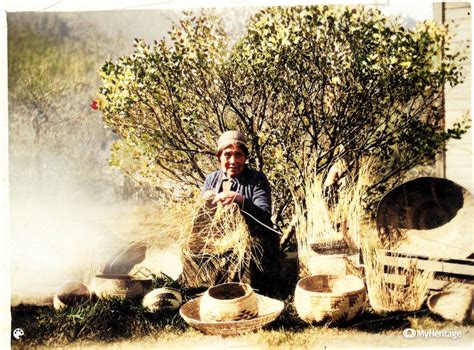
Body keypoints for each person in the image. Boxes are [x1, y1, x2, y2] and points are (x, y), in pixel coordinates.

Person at [181, 130, 281, 294]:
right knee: (190, 247)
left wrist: (239, 199)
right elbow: (201, 222)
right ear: (219, 157)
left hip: (254, 234)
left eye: (238, 155)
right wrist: (205, 204)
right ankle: (203, 289)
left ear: (245, 157)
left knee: (252, 249)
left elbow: (264, 217)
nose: (233, 161)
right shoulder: (212, 179)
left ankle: (244, 293)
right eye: (227, 155)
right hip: (222, 237)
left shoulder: (257, 179)